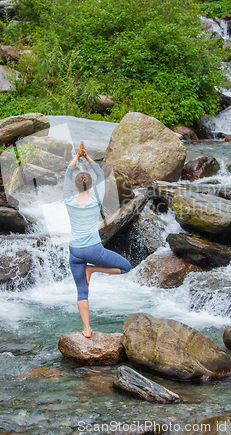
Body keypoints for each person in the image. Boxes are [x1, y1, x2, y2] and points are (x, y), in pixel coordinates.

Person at [63, 141, 131, 338]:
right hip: (94, 250)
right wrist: (87, 157)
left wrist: (77, 157)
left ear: (75, 186)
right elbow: (101, 175)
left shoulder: (68, 200)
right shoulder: (95, 200)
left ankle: (86, 329)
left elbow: (68, 175)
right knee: (125, 266)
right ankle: (93, 269)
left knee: (81, 292)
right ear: (91, 185)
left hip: (75, 251)